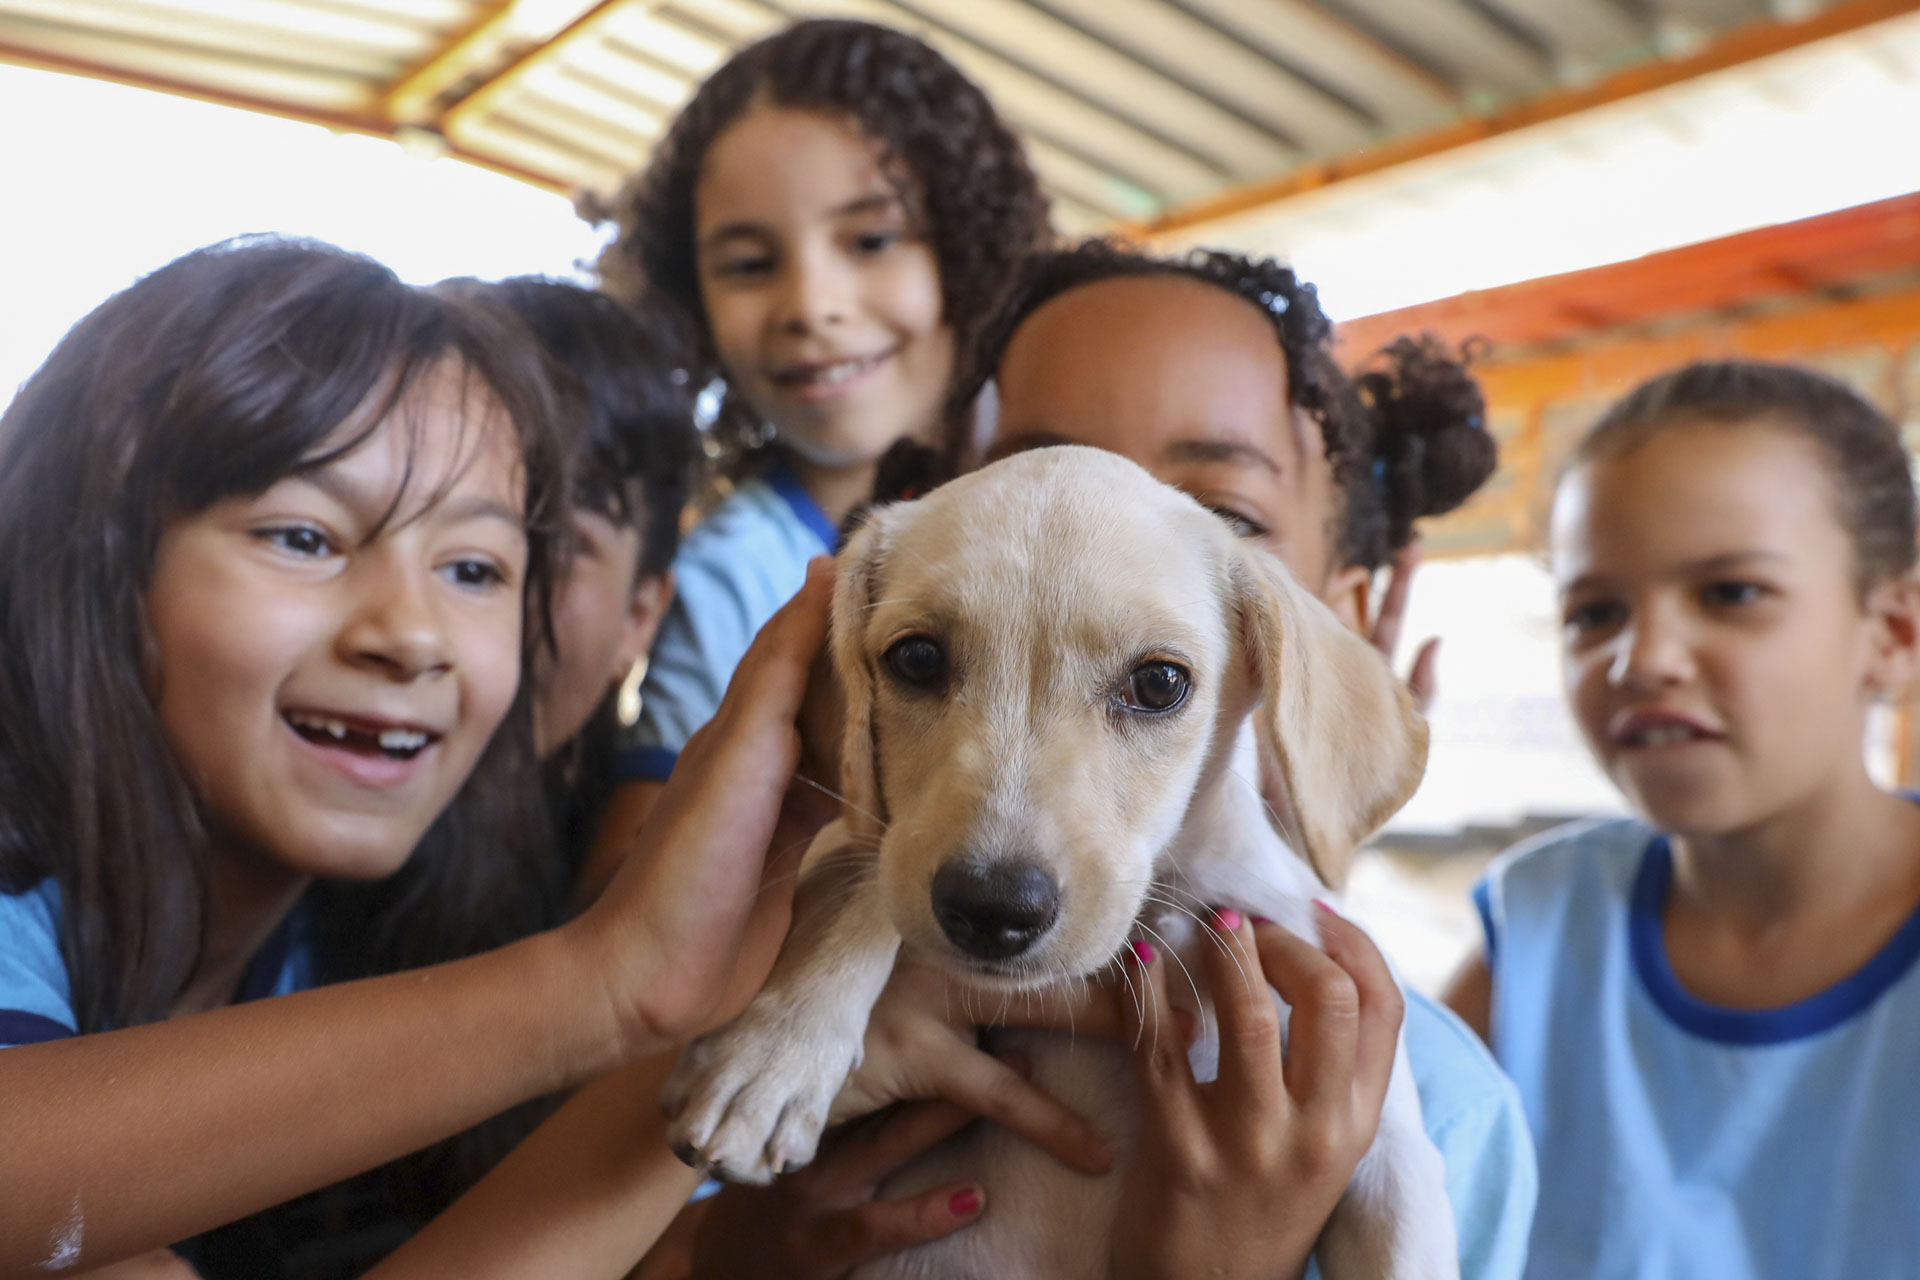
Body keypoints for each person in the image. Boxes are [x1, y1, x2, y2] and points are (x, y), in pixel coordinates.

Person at [0, 238, 847, 1275]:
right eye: (303, 537)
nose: (412, 632)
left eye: (474, 566)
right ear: (97, 557)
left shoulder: (330, 940)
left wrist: (735, 1027)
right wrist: (606, 984)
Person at [1443, 360, 1920, 1279]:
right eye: (1596, 612)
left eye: (1730, 593)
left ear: (1892, 635)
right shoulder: (1541, 924)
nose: (1644, 657)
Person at [582, 18, 1053, 894]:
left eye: (871, 241)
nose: (812, 303)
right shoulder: (735, 576)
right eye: (751, 263)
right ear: (694, 299)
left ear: (968, 249)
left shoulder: (1079, 500)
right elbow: (626, 903)